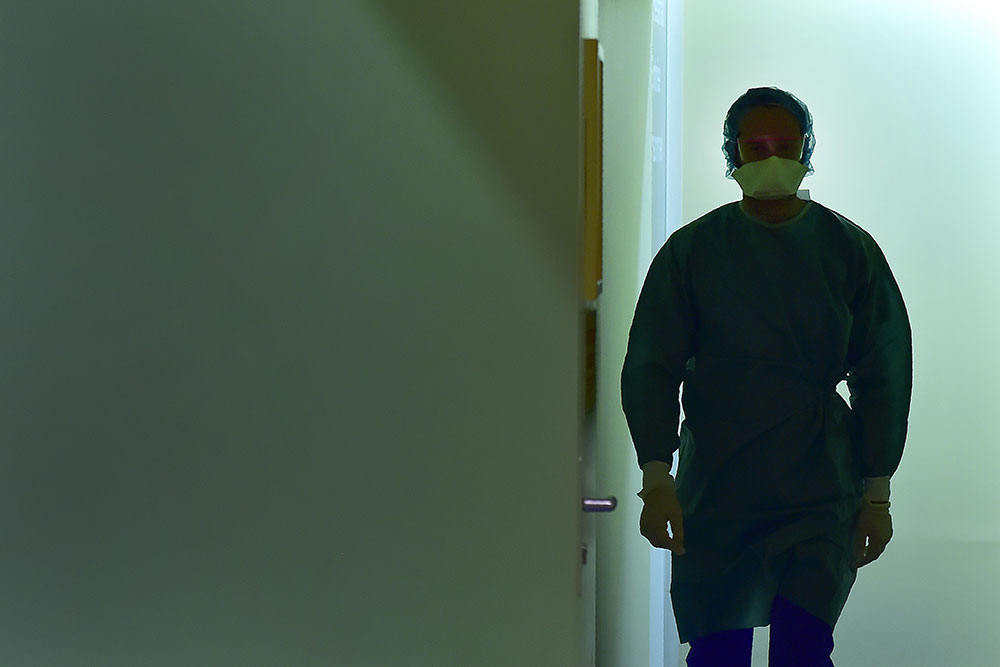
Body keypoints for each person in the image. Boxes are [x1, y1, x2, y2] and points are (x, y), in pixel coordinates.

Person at [620, 86, 912, 666]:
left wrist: (877, 494)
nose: (771, 157)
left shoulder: (847, 250)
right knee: (717, 653)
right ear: (731, 153)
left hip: (819, 488)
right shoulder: (692, 252)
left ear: (808, 148)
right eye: (755, 147)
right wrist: (656, 479)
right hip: (718, 488)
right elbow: (653, 366)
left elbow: (884, 373)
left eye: (785, 145)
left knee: (804, 650)